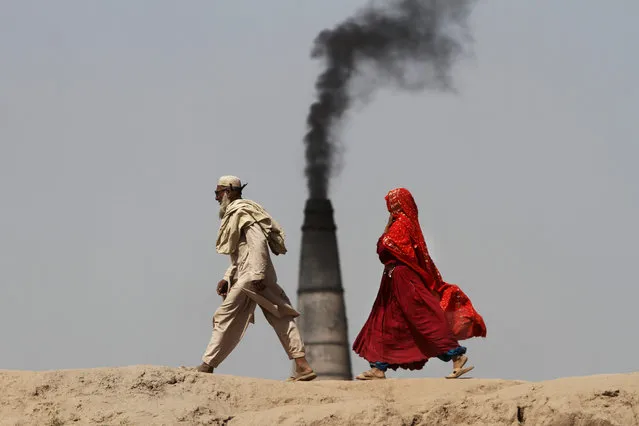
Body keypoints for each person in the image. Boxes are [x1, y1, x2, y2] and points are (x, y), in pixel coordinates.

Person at [352, 187, 487, 380]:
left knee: (422, 317)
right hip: (392, 281)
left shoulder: (401, 224)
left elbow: (384, 247)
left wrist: (386, 231)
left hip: (404, 279)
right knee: (385, 321)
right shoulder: (403, 224)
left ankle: (456, 355)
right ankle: (378, 368)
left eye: (392, 204)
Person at [195, 175, 316, 382]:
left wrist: (258, 274)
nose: (215, 198)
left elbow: (258, 243)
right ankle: (302, 365)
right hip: (250, 273)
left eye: (218, 192)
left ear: (229, 191)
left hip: (252, 276)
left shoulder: (243, 212)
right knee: (280, 316)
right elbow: (239, 252)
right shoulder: (235, 213)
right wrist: (227, 277)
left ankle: (207, 365)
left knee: (223, 316)